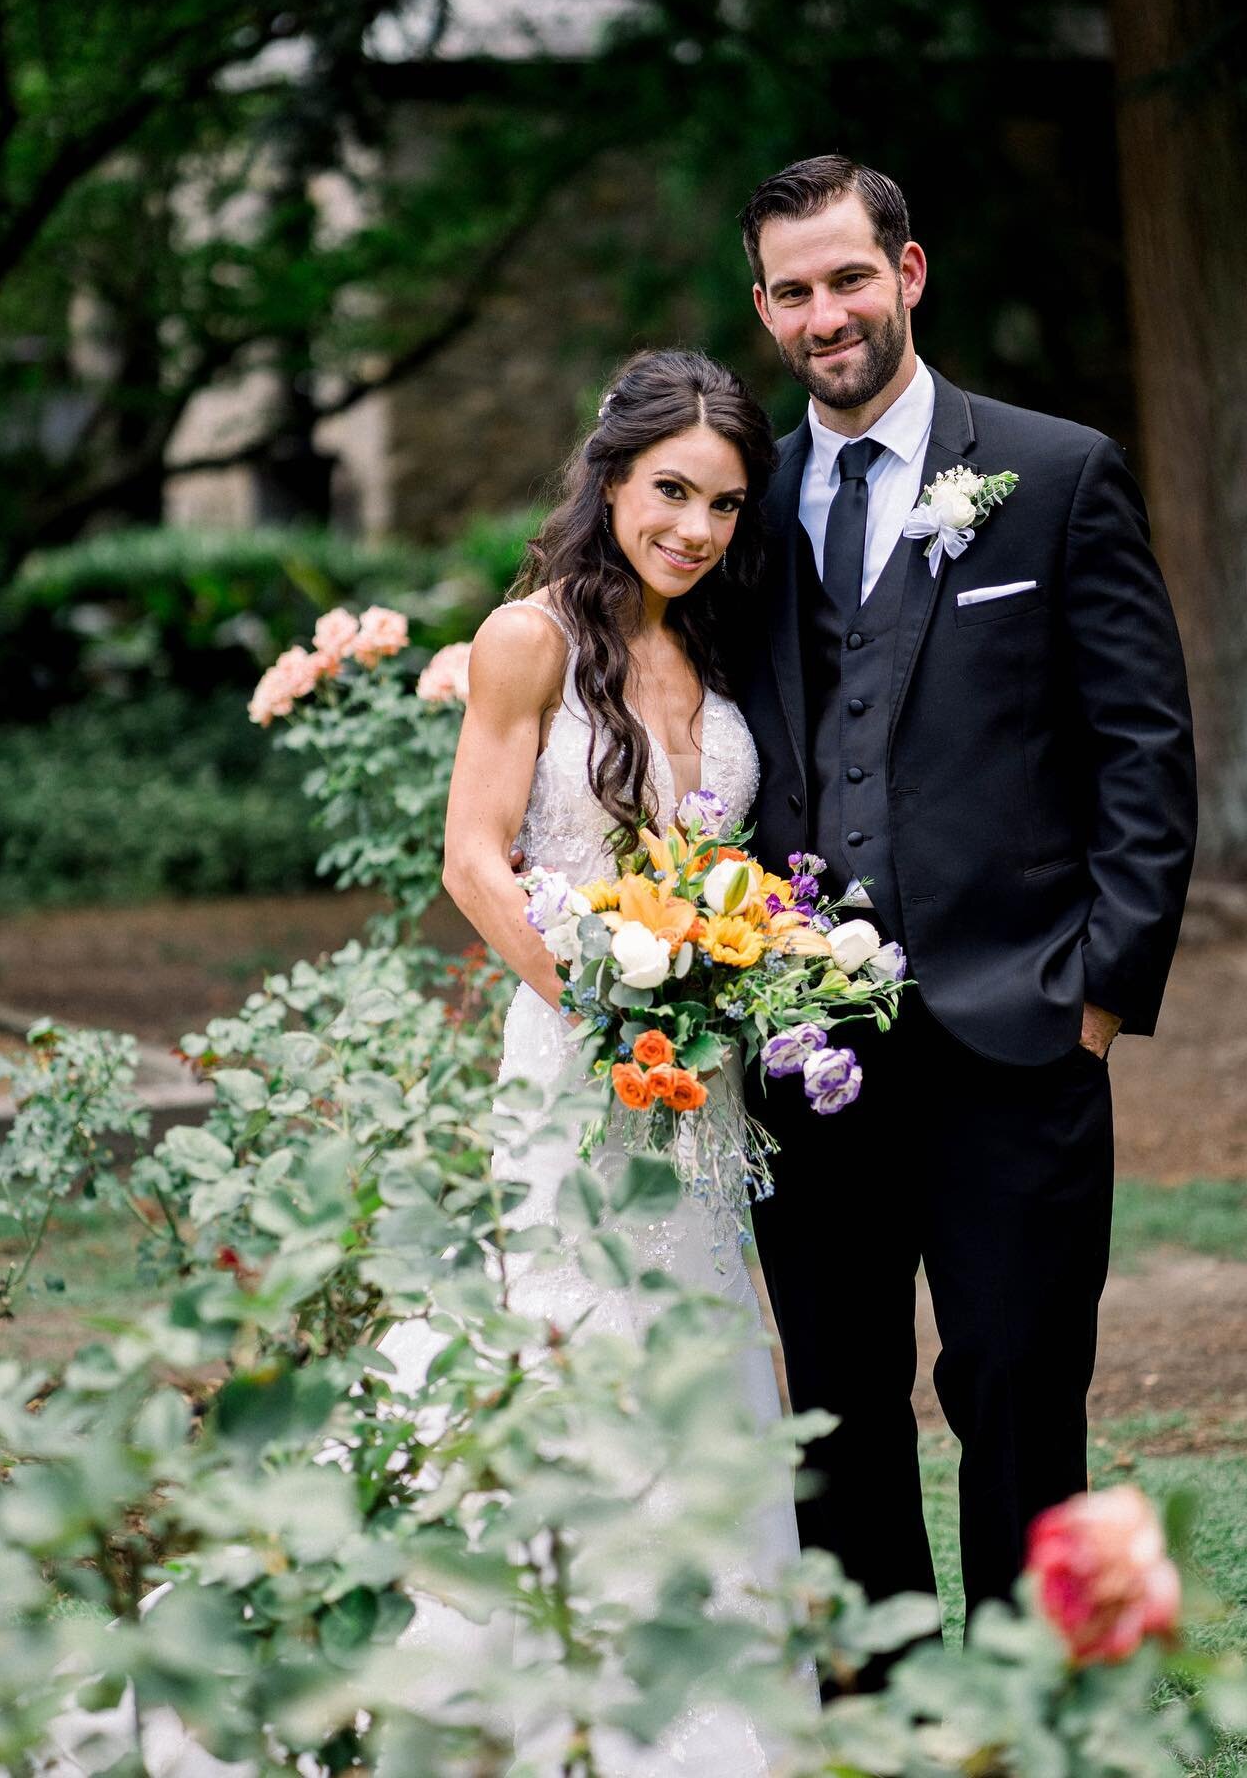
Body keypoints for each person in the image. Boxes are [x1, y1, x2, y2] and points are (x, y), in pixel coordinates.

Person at [734, 154, 1197, 1646]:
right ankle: (881, 1697)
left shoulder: (1055, 475)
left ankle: (1022, 1703)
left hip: (1020, 1035)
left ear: (909, 275)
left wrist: (1103, 993)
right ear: (764, 308)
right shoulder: (741, 502)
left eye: (849, 278)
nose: (826, 314)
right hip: (810, 1051)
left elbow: (1143, 749)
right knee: (841, 1399)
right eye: (794, 291)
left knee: (1014, 1386)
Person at [436, 347, 803, 1769]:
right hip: (581, 1062)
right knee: (584, 1352)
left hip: (697, 1082)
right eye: (671, 491)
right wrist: (603, 1001)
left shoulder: (715, 640)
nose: (695, 529)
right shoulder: (530, 636)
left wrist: (745, 963)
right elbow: (474, 858)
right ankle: (559, 1697)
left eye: (721, 504)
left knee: (706, 1352)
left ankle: (724, 1708)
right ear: (610, 477)